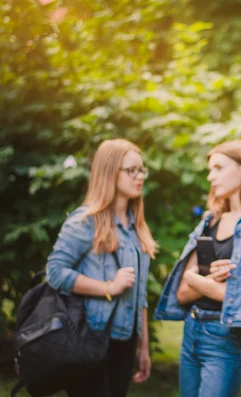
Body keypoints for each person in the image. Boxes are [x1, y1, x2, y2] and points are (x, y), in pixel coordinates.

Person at [154, 139, 241, 397]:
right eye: (210, 170)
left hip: (223, 339)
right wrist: (212, 283)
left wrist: (198, 281)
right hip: (191, 330)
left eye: (219, 168)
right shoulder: (209, 221)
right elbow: (180, 293)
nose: (211, 177)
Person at [46, 138, 156, 397]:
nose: (139, 176)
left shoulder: (136, 228)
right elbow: (55, 271)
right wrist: (108, 287)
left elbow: (140, 295)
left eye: (142, 170)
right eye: (131, 170)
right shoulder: (85, 221)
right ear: (109, 172)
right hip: (90, 337)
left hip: (125, 343)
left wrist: (143, 347)